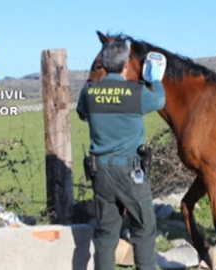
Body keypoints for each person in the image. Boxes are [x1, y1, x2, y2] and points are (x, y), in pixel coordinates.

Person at [76, 41, 166, 270]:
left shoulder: (89, 92)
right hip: (130, 173)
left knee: (106, 234)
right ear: (127, 64)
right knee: (144, 228)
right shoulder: (136, 93)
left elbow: (82, 113)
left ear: (103, 64)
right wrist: (154, 79)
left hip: (101, 173)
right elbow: (159, 100)